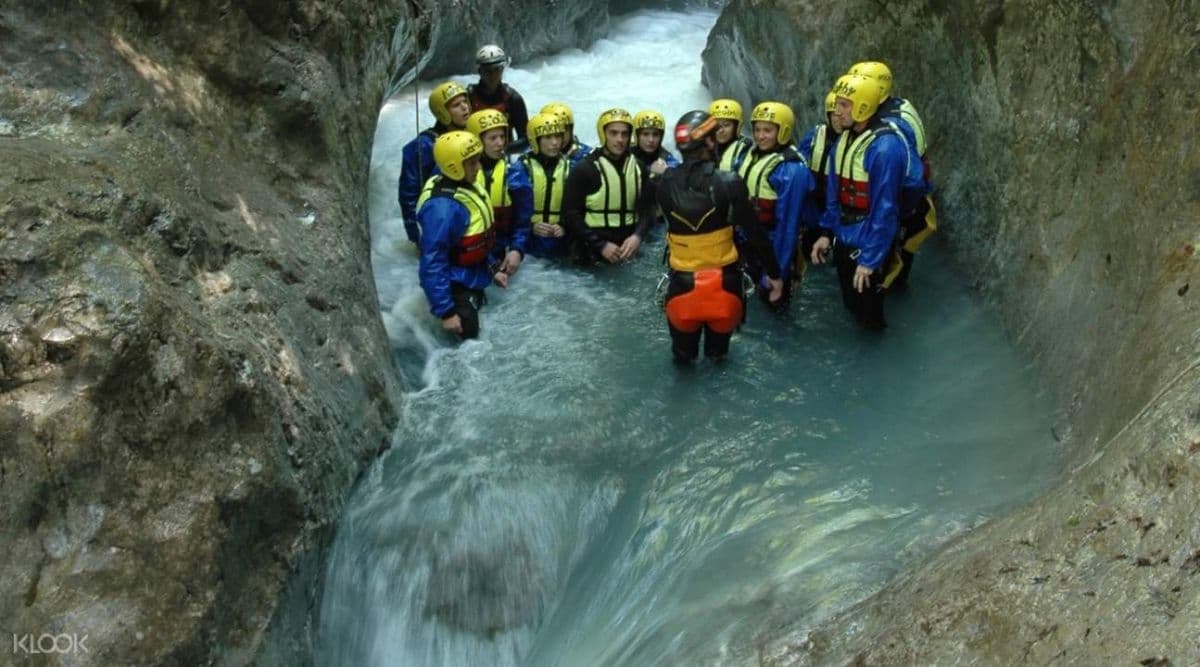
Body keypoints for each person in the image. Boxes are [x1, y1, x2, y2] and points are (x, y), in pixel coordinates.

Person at [658, 110, 784, 363]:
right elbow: (756, 235)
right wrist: (775, 275)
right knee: (719, 360)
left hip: (682, 287)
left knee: (683, 360)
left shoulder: (663, 182)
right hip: (724, 287)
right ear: (709, 142)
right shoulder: (730, 182)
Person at [810, 74, 906, 331]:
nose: (836, 111)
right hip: (845, 233)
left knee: (870, 314)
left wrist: (870, 259)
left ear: (863, 106)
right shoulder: (844, 140)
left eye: (844, 105)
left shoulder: (884, 148)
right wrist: (826, 233)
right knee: (851, 304)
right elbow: (833, 193)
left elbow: (885, 210)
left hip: (868, 238)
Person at [848, 61, 936, 289]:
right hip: (912, 201)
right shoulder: (900, 106)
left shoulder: (890, 125)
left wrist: (895, 215)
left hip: (904, 205)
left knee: (884, 275)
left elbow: (909, 180)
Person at [416, 131, 508, 340]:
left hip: (473, 274)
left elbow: (475, 242)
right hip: (454, 286)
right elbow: (432, 262)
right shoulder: (443, 209)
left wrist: (493, 268)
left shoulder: (465, 185)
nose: (478, 167)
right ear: (453, 166)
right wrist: (446, 312)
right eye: (472, 163)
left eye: (478, 160)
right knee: (470, 340)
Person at [735, 100, 814, 310]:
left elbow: (788, 225)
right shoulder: (750, 156)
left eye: (768, 130)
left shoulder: (791, 170)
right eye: (757, 130)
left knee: (773, 305)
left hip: (773, 247)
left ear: (783, 131)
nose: (760, 136)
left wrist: (776, 272)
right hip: (747, 241)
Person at [560, 107, 656, 265]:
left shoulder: (638, 167)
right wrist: (600, 245)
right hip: (591, 250)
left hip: (627, 247)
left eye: (625, 134)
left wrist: (638, 236)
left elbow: (648, 209)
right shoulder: (585, 169)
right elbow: (570, 214)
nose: (620, 139)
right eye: (614, 133)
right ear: (603, 134)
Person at [399, 81, 471, 244]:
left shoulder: (469, 136)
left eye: (465, 101)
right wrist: (416, 235)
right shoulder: (423, 146)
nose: (464, 107)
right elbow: (409, 195)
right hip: (438, 221)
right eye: (456, 105)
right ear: (443, 112)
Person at [466, 109, 532, 277]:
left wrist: (517, 250)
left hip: (500, 253)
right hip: (468, 252)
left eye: (502, 137)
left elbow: (522, 221)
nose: (500, 143)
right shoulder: (462, 173)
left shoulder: (515, 173)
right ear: (477, 140)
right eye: (493, 138)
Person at [515, 112, 571, 259]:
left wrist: (565, 226)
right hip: (529, 242)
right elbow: (513, 210)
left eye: (558, 136)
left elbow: (579, 207)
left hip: (560, 241)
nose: (555, 143)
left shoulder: (571, 167)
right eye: (548, 137)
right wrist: (531, 226)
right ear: (535, 140)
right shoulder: (520, 168)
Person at [796, 91, 843, 258]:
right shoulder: (815, 136)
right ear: (828, 116)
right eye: (834, 115)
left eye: (841, 114)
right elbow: (799, 163)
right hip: (814, 204)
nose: (838, 119)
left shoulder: (853, 141)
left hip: (840, 207)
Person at [467, 45, 530, 153]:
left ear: (502, 70)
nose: (492, 75)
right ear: (480, 71)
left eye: (497, 70)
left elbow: (526, 139)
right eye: (488, 71)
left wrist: (502, 149)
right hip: (474, 155)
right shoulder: (468, 97)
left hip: (504, 154)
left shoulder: (513, 99)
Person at [630, 109, 680, 178]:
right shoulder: (626, 156)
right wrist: (650, 171)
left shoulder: (667, 159)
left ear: (661, 137)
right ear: (637, 136)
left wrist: (667, 173)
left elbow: (680, 174)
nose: (651, 140)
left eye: (655, 135)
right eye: (645, 134)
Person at [708, 98, 754, 173]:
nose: (720, 130)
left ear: (737, 126)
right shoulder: (704, 148)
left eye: (726, 125)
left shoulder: (746, 151)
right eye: (716, 126)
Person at [541, 102, 592, 168]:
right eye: (552, 131)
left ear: (571, 130)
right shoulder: (527, 159)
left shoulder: (588, 158)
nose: (560, 137)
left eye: (565, 129)